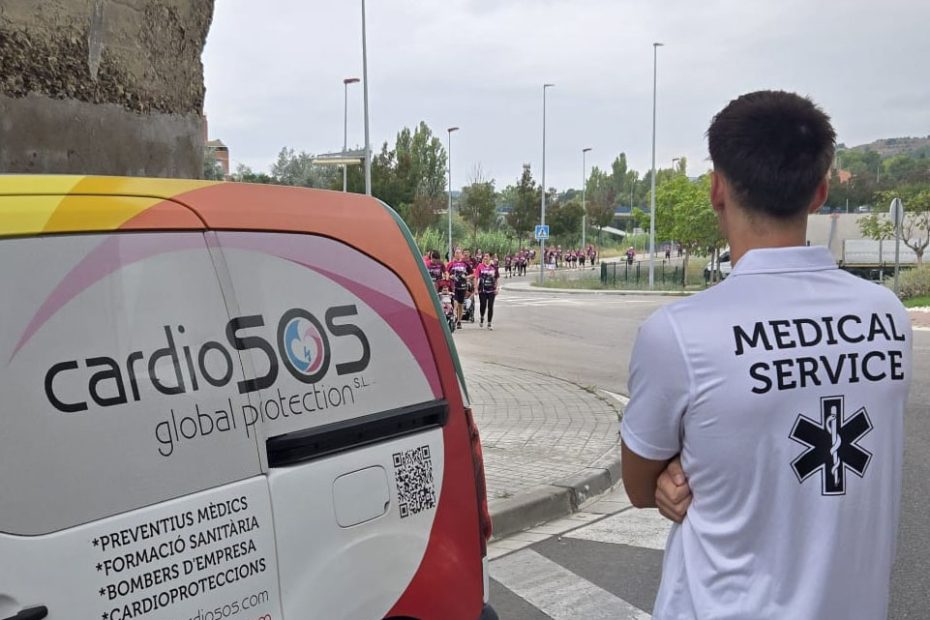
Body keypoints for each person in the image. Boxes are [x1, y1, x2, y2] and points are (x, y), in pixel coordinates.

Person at [620, 90, 913, 620]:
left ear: (716, 189)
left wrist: (674, 477)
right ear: (821, 192)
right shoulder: (887, 315)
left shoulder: (679, 334)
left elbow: (640, 486)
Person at [446, 249, 471, 329]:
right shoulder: (451, 263)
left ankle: (459, 321)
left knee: (460, 304)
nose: (457, 254)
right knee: (455, 301)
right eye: (456, 253)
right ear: (454, 254)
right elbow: (446, 272)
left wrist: (466, 277)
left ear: (461, 254)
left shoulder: (465, 264)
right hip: (454, 286)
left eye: (459, 253)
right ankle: (454, 314)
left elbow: (473, 273)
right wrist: (450, 276)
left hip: (463, 286)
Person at [474, 252, 499, 330]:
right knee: (483, 305)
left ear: (490, 258)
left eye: (487, 256)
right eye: (484, 256)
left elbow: (496, 278)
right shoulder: (480, 266)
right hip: (482, 290)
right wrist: (475, 288)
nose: (485, 257)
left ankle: (489, 323)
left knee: (490, 306)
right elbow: (476, 277)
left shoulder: (494, 267)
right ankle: (482, 317)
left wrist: (497, 288)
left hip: (491, 290)